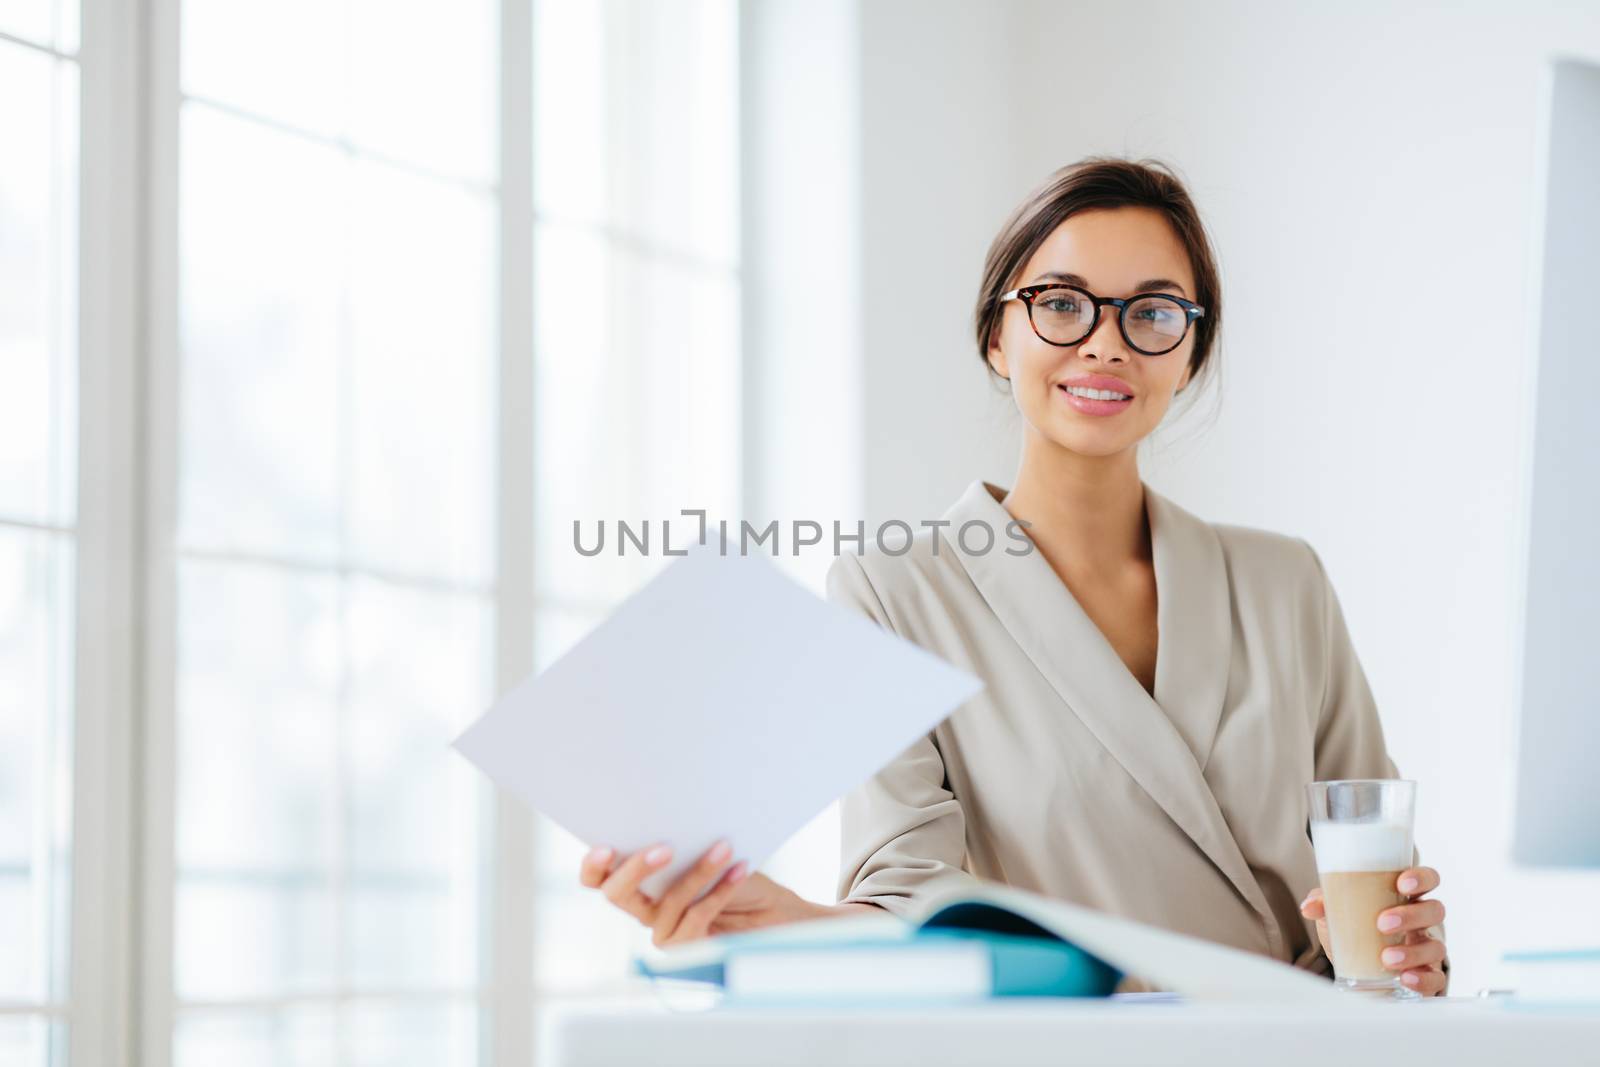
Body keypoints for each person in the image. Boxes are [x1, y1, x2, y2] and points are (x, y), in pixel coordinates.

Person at [576, 156, 1449, 996]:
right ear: (998, 337)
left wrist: (1394, 947)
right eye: (1062, 304)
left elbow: (1372, 877)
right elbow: (910, 901)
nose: (1106, 344)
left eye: (1152, 313)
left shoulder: (1284, 583)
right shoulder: (895, 590)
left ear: (1190, 351)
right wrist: (773, 921)